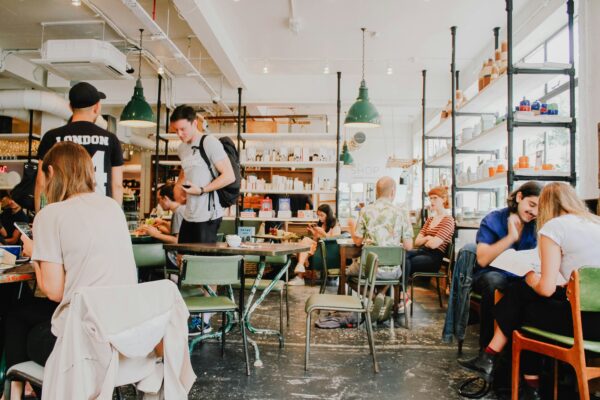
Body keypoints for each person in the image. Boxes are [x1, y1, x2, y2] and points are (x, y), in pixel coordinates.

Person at [2, 141, 137, 400]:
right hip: (121, 333)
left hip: (82, 346)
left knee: (17, 317)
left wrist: (36, 251)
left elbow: (53, 291)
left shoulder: (51, 215)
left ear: (51, 173)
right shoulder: (112, 208)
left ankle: (16, 391)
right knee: (24, 314)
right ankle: (21, 390)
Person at [459, 182, 600, 400]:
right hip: (595, 321)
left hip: (581, 325)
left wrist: (532, 278)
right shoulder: (596, 222)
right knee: (525, 298)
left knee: (526, 308)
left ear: (545, 206)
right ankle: (500, 365)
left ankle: (498, 363)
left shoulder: (554, 228)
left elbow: (546, 288)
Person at [35, 82, 124, 212]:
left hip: (63, 211)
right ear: (97, 107)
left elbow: (41, 182)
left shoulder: (52, 137)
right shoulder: (111, 139)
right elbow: (117, 185)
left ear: (70, 107)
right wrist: (116, 216)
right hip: (100, 211)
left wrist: (40, 215)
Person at [472, 181, 542, 349]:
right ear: (519, 197)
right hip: (490, 274)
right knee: (495, 281)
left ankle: (528, 361)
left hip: (523, 276)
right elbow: (482, 259)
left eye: (539, 208)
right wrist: (511, 237)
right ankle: (487, 353)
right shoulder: (493, 219)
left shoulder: (538, 226)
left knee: (537, 288)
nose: (534, 212)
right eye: (531, 204)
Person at [347, 176, 414, 317]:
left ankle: (374, 297)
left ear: (376, 192)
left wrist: (352, 228)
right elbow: (408, 246)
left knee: (347, 274)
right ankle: (382, 296)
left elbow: (358, 241)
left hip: (369, 269)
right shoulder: (401, 212)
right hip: (393, 271)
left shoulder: (365, 211)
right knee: (393, 268)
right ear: (393, 192)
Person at [171, 105, 235, 244]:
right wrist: (178, 186)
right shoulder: (182, 148)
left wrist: (201, 190)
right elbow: (186, 170)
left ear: (194, 123)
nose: (179, 134)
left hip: (208, 215)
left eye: (183, 129)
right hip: (189, 214)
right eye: (176, 130)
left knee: (201, 262)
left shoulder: (209, 142)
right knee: (182, 257)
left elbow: (229, 175)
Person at [405, 186, 455, 277]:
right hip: (422, 251)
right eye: (430, 198)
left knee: (404, 261)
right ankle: (400, 288)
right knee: (401, 255)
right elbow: (417, 242)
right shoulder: (430, 219)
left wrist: (425, 240)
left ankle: (401, 289)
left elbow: (433, 245)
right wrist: (428, 238)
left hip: (434, 258)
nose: (432, 201)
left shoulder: (448, 220)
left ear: (443, 199)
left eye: (435, 198)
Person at [288, 204, 341, 286]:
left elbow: (334, 240)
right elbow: (316, 240)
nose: (320, 218)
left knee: (304, 245)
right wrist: (313, 232)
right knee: (304, 242)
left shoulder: (335, 225)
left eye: (322, 215)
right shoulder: (321, 224)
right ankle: (300, 268)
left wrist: (322, 232)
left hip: (327, 249)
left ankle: (300, 276)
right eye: (318, 215)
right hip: (318, 247)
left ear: (328, 214)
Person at [138, 183, 185, 267]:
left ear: (165, 198)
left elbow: (178, 241)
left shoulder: (178, 212)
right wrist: (164, 223)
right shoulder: (182, 209)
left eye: (159, 199)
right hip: (183, 256)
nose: (159, 203)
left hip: (176, 257)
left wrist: (155, 234)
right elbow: (182, 232)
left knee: (144, 256)